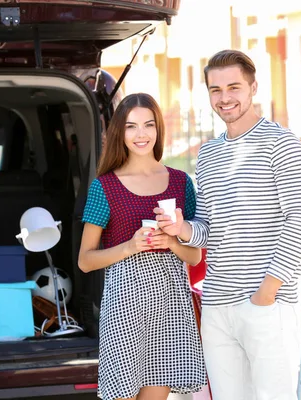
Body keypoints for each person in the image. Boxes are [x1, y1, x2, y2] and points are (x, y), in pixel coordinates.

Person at [155, 49, 301, 399]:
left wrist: (267, 292)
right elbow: (209, 228)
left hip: (265, 305)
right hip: (217, 307)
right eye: (216, 90)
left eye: (234, 87)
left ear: (253, 87)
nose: (225, 98)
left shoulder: (282, 144)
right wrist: (182, 228)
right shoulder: (208, 155)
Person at [78, 93, 207, 400]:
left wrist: (172, 242)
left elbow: (195, 255)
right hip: (125, 305)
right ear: (119, 132)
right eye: (132, 126)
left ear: (158, 129)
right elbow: (85, 260)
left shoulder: (180, 182)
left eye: (149, 125)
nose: (141, 134)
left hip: (170, 305)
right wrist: (130, 246)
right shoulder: (104, 186)